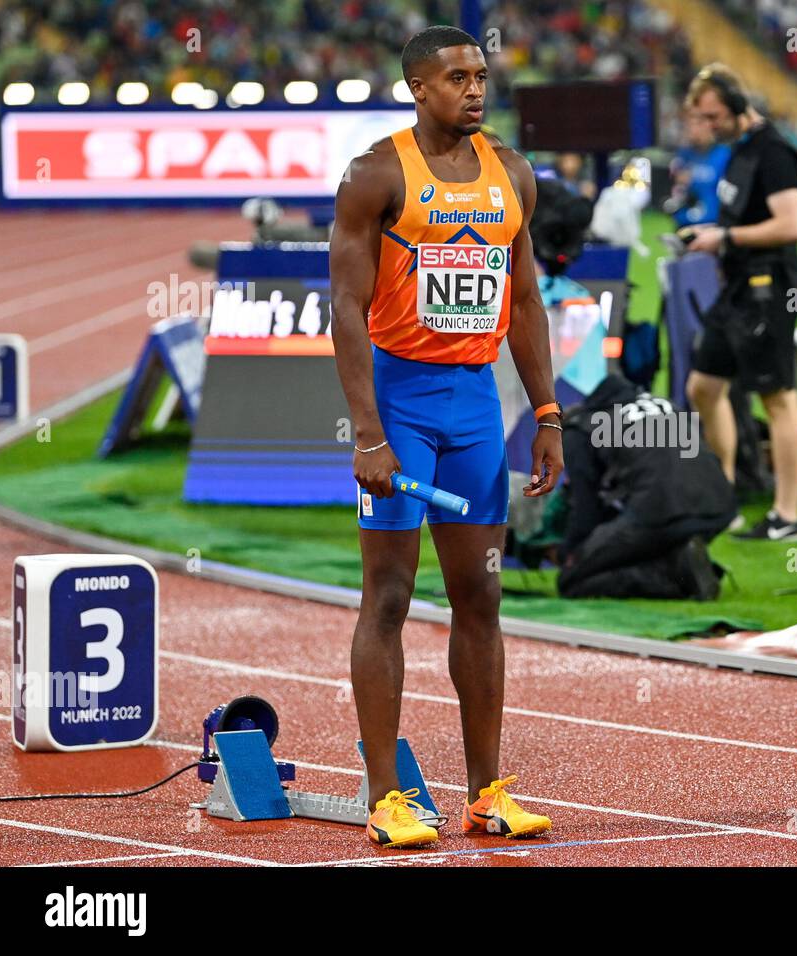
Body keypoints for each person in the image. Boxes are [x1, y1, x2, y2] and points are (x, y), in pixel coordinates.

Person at [329, 25, 561, 848]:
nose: (475, 89)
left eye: (482, 75)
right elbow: (346, 311)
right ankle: (387, 796)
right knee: (389, 596)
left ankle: (486, 793)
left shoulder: (513, 175)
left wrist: (545, 414)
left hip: (473, 403)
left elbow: (526, 302)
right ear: (418, 89)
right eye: (456, 78)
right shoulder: (378, 174)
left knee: (483, 597)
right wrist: (367, 435)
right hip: (400, 400)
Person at [682, 64, 797, 542]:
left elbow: (792, 224)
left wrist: (725, 237)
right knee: (703, 387)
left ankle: (787, 516)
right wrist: (710, 237)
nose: (708, 126)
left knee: (778, 397)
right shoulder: (738, 152)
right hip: (737, 288)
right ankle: (725, 496)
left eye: (714, 116)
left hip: (769, 288)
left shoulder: (773, 151)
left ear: (738, 106)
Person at [557, 374, 736, 600]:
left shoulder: (581, 428)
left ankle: (672, 575)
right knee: (642, 541)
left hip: (661, 512)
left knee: (571, 581)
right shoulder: (666, 404)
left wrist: (570, 553)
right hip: (720, 506)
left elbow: (586, 509)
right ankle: (681, 558)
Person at [667, 108, 732, 228]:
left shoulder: (724, 155)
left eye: (698, 124)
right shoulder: (683, 155)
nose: (693, 129)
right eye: (689, 124)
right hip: (683, 223)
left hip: (711, 225)